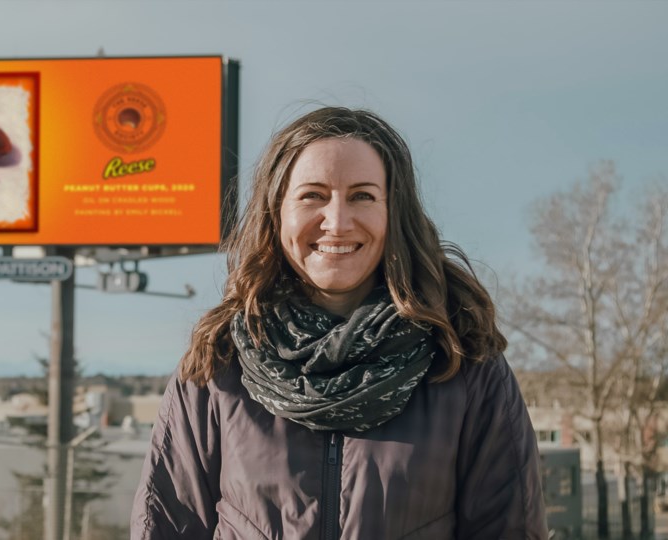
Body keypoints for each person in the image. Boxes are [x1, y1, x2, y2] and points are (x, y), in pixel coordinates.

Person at [130, 107, 548, 539]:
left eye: (362, 196)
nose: (337, 221)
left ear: (394, 213)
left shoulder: (462, 362)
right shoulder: (218, 364)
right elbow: (164, 527)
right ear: (277, 211)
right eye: (312, 195)